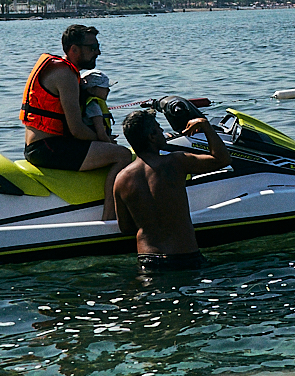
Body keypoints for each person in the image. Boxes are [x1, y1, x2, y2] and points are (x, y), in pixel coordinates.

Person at [20, 24, 134, 221]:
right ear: (74, 49)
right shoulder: (65, 75)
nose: (98, 52)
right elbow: (77, 130)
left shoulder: (65, 71)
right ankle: (110, 217)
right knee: (122, 155)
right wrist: (104, 141)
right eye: (92, 47)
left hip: (46, 145)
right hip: (47, 148)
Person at [114, 105, 232, 276]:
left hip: (148, 260)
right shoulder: (175, 162)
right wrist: (205, 125)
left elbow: (125, 227)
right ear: (152, 137)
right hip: (184, 256)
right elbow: (222, 159)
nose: (163, 131)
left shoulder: (121, 179)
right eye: (158, 128)